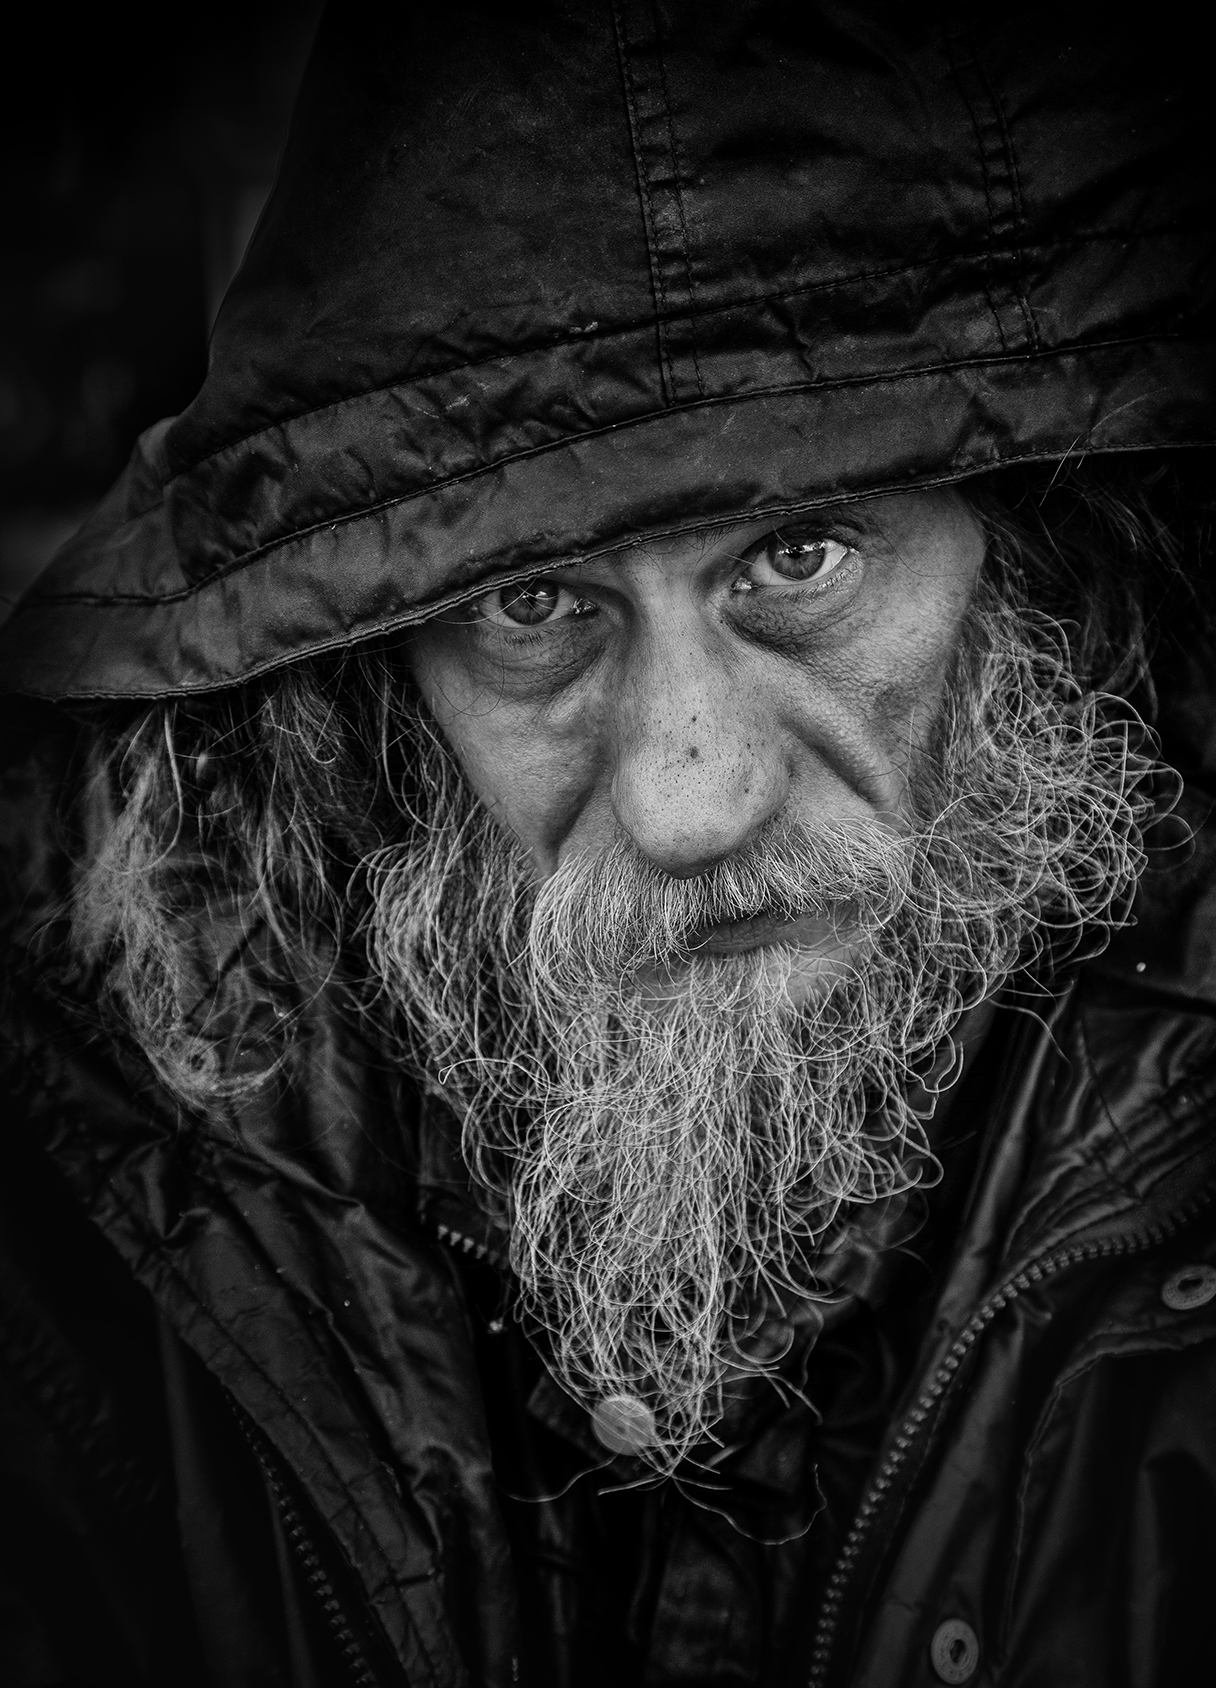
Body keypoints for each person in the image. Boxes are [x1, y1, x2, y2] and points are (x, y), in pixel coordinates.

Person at [2, 4, 1214, 1684]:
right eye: (535, 605)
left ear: (1038, 562)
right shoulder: (91, 1201)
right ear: (367, 686)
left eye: (798, 558)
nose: (688, 796)